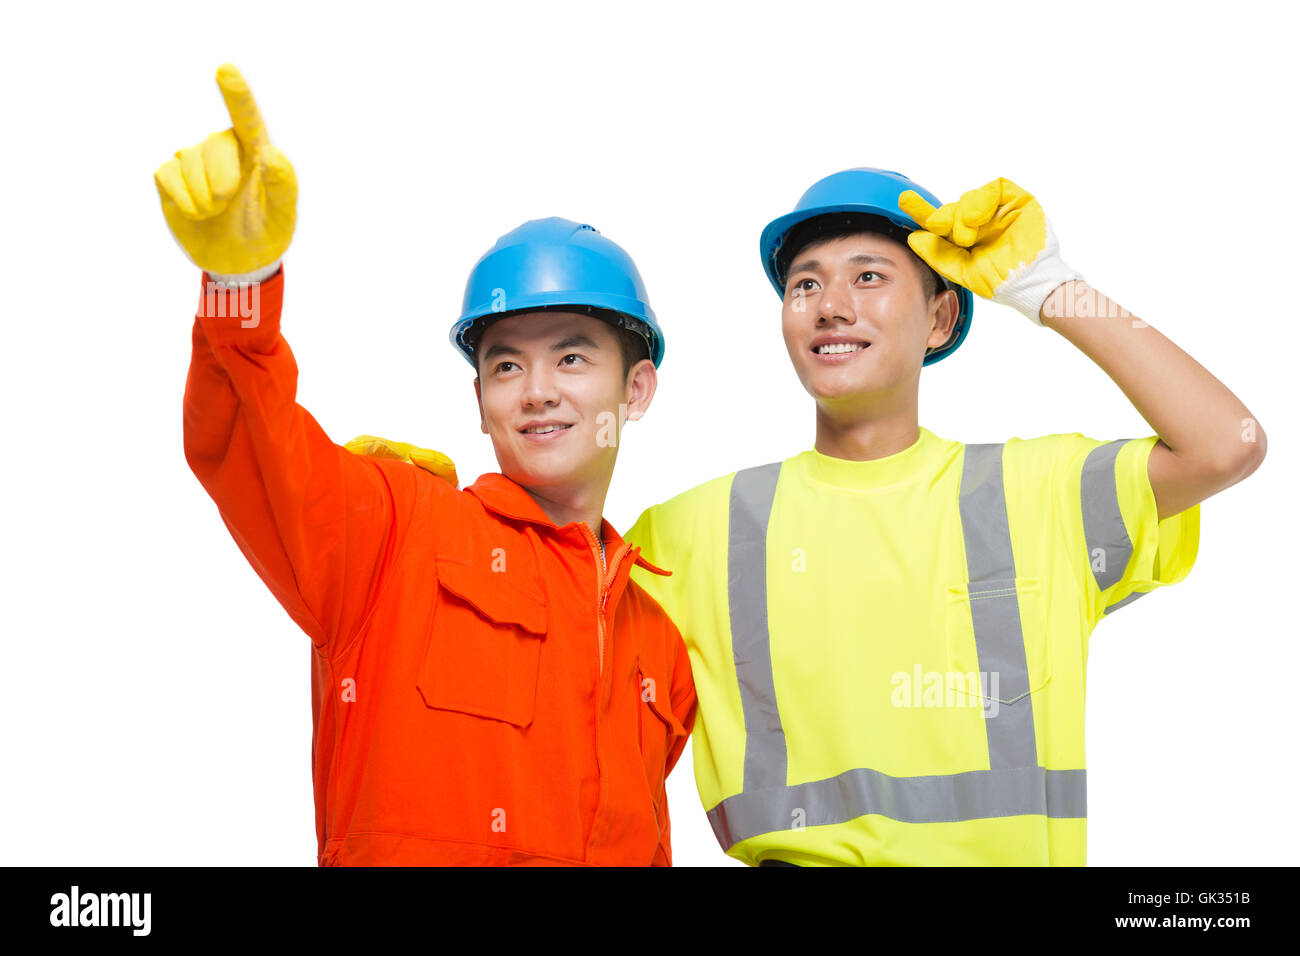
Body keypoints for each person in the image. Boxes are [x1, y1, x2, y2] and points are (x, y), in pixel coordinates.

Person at [621, 167, 1266, 866]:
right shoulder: (691, 531)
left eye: (869, 277)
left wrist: (1050, 289)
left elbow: (1226, 445)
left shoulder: (1038, 495)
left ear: (939, 318)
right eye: (805, 283)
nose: (830, 305)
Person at [157, 63, 695, 866]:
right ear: (480, 401)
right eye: (507, 367)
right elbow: (248, 444)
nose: (538, 392)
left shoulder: (658, 643)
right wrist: (240, 286)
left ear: (637, 388)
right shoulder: (395, 529)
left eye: (574, 358)